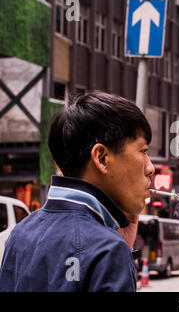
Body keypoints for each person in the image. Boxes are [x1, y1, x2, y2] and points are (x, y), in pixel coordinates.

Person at [0, 92, 155, 291]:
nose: (150, 167)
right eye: (143, 151)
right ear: (102, 158)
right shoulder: (107, 250)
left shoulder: (20, 233)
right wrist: (117, 253)